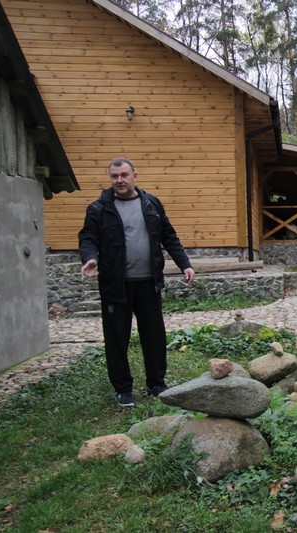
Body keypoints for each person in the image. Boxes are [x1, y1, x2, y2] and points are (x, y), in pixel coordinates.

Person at [79, 157, 195, 407]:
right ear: (110, 179)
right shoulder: (99, 209)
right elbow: (88, 238)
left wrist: (184, 264)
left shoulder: (151, 203)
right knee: (116, 339)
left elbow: (168, 236)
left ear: (134, 176)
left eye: (124, 175)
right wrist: (90, 258)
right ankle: (123, 389)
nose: (119, 180)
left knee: (154, 336)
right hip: (115, 285)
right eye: (114, 176)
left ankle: (157, 383)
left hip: (149, 283)